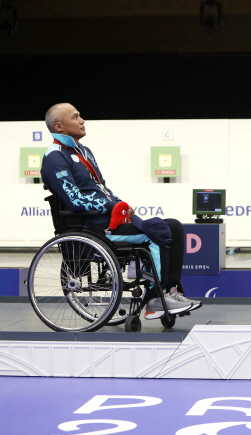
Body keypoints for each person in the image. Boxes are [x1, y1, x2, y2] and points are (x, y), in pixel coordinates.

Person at [40, 103, 201, 319]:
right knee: (157, 233)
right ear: (59, 126)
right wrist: (111, 206)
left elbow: (102, 189)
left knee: (174, 227)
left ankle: (170, 291)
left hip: (110, 220)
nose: (82, 120)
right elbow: (75, 200)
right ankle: (156, 298)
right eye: (76, 117)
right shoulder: (55, 156)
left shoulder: (84, 151)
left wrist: (121, 204)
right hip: (93, 227)